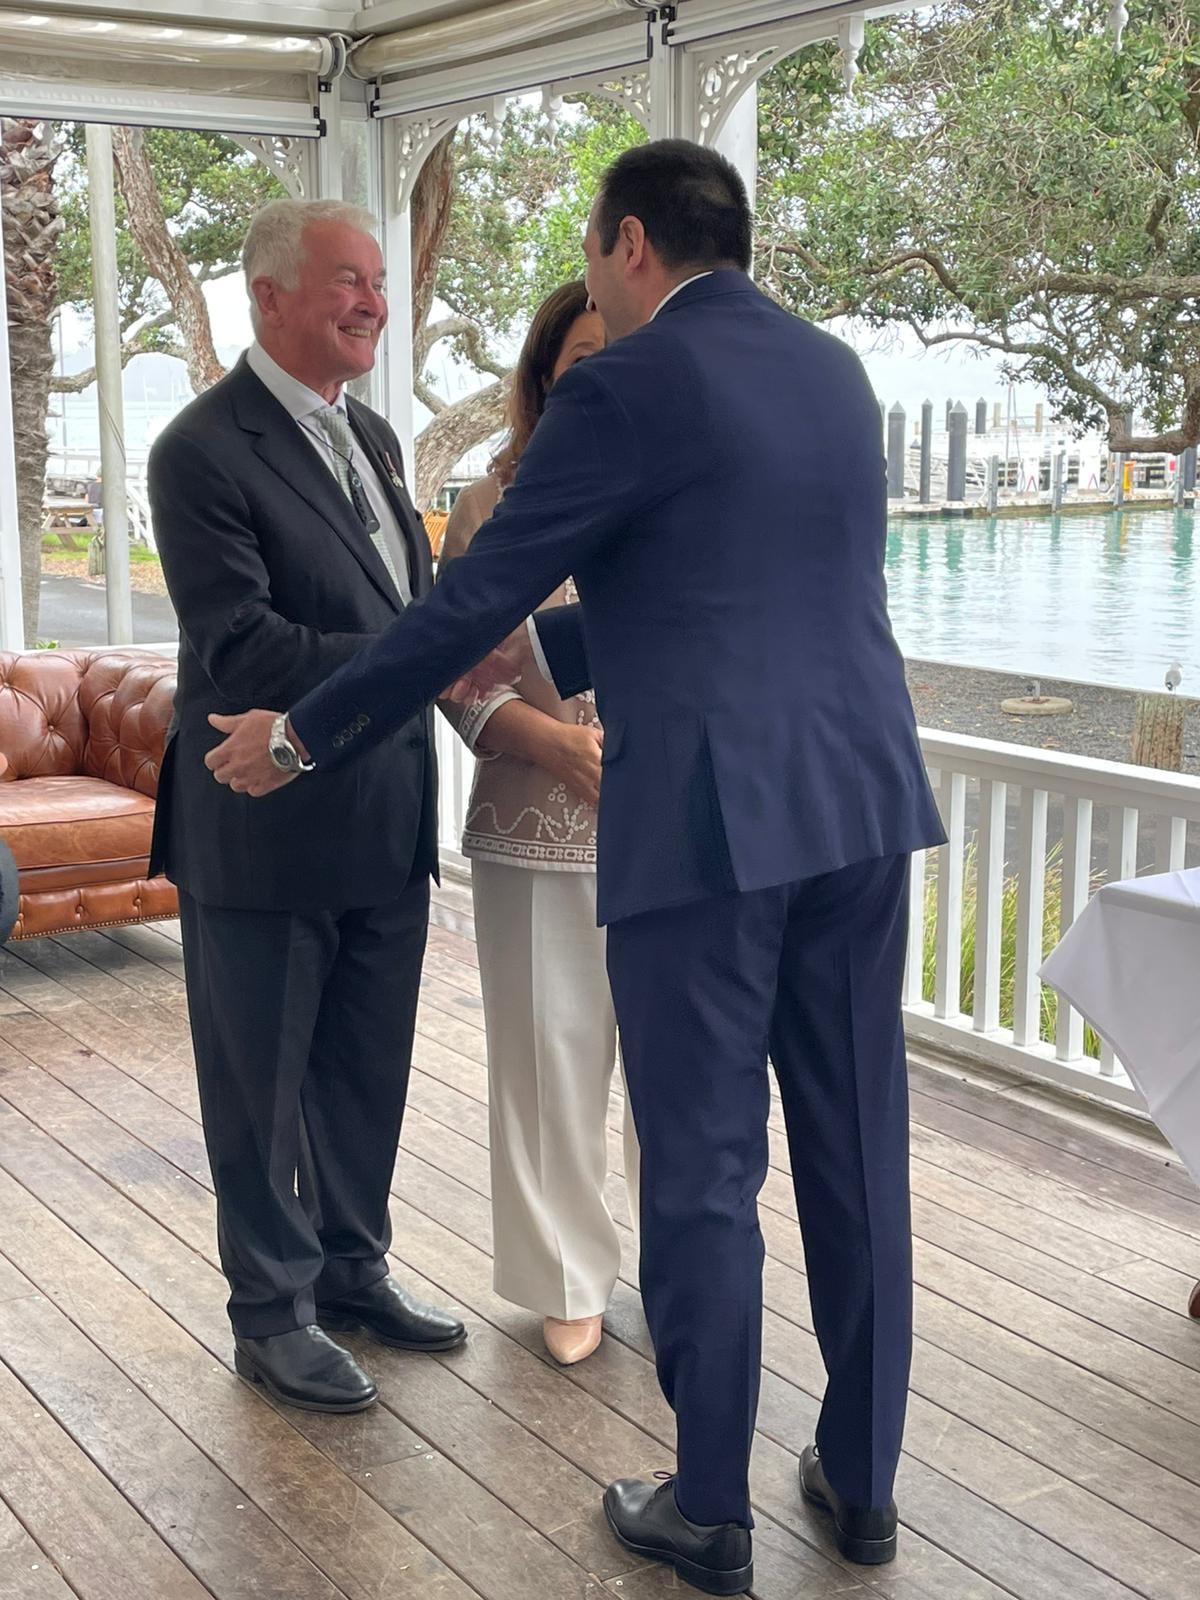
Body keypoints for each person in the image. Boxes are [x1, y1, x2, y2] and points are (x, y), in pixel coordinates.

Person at [206, 142, 947, 1596]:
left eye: (596, 260)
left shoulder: (628, 382)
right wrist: (541, 649)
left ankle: (712, 1508)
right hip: (862, 803)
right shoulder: (833, 373)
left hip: (712, 825)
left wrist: (301, 736)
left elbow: (463, 600)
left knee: (705, 1172)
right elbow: (741, 590)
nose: (594, 290)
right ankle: (863, 1486)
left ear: (630, 244)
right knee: (860, 1153)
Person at [147, 197, 465, 1419]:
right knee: (259, 1094)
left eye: (378, 281)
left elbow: (395, 611)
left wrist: (416, 654)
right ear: (268, 295)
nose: (373, 302)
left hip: (385, 820)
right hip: (263, 828)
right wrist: (421, 658)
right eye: (347, 280)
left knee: (363, 1075)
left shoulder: (374, 437)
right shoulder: (199, 449)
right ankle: (273, 1315)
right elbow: (242, 645)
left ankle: (350, 1270)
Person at [438, 280, 639, 1368]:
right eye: (582, 360)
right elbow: (457, 667)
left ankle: (686, 1272)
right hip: (532, 815)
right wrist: (557, 744)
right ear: (544, 377)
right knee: (547, 1059)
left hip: (670, 822)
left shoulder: (679, 479)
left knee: (679, 1069)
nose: (603, 376)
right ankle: (566, 1278)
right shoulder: (491, 503)